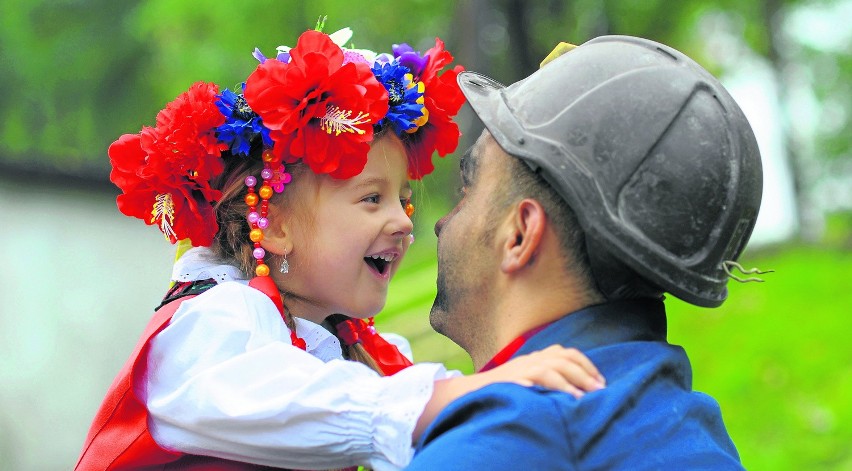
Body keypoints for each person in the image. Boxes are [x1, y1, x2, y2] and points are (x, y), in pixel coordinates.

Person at [75, 24, 606, 471]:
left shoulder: (352, 346)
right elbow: (289, 398)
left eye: (403, 198)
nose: (403, 221)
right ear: (276, 225)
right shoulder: (213, 324)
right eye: (371, 198)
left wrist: (495, 393)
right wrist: (451, 397)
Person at [407, 35, 764, 470]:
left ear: (520, 234)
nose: (441, 224)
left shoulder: (501, 444)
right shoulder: (687, 427)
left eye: (467, 191)